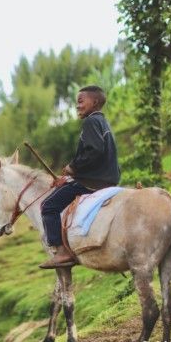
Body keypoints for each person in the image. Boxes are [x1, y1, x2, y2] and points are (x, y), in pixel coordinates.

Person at [39, 85, 120, 269]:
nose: (78, 106)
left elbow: (94, 151)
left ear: (95, 102)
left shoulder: (91, 122)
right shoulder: (102, 122)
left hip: (92, 182)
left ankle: (61, 252)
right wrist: (69, 174)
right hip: (107, 178)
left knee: (48, 206)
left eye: (81, 101)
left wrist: (73, 168)